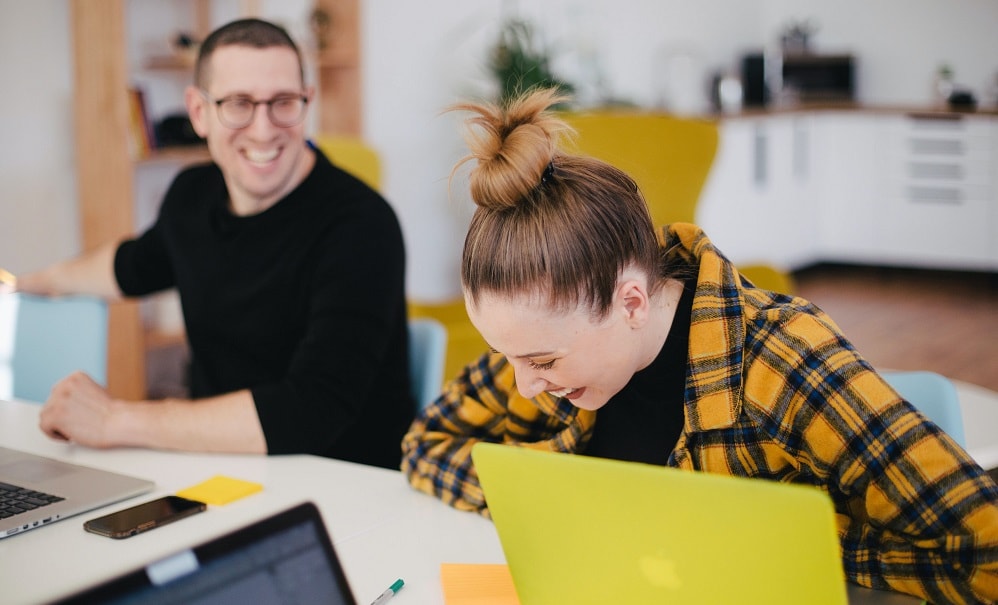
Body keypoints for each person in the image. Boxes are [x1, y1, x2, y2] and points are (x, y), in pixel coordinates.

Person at [400, 87, 998, 603]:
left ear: (631, 302)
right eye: (508, 356)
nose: (524, 383)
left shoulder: (781, 360)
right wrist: (560, 499)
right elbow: (426, 445)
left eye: (541, 361)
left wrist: (792, 544)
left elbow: (983, 548)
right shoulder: (548, 344)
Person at [14, 18, 413, 469]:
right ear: (199, 112)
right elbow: (132, 266)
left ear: (307, 102)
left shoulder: (362, 224)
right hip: (217, 468)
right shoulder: (192, 195)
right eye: (238, 104)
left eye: (283, 102)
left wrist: (115, 420)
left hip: (344, 486)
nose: (263, 130)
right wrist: (30, 281)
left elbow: (312, 409)